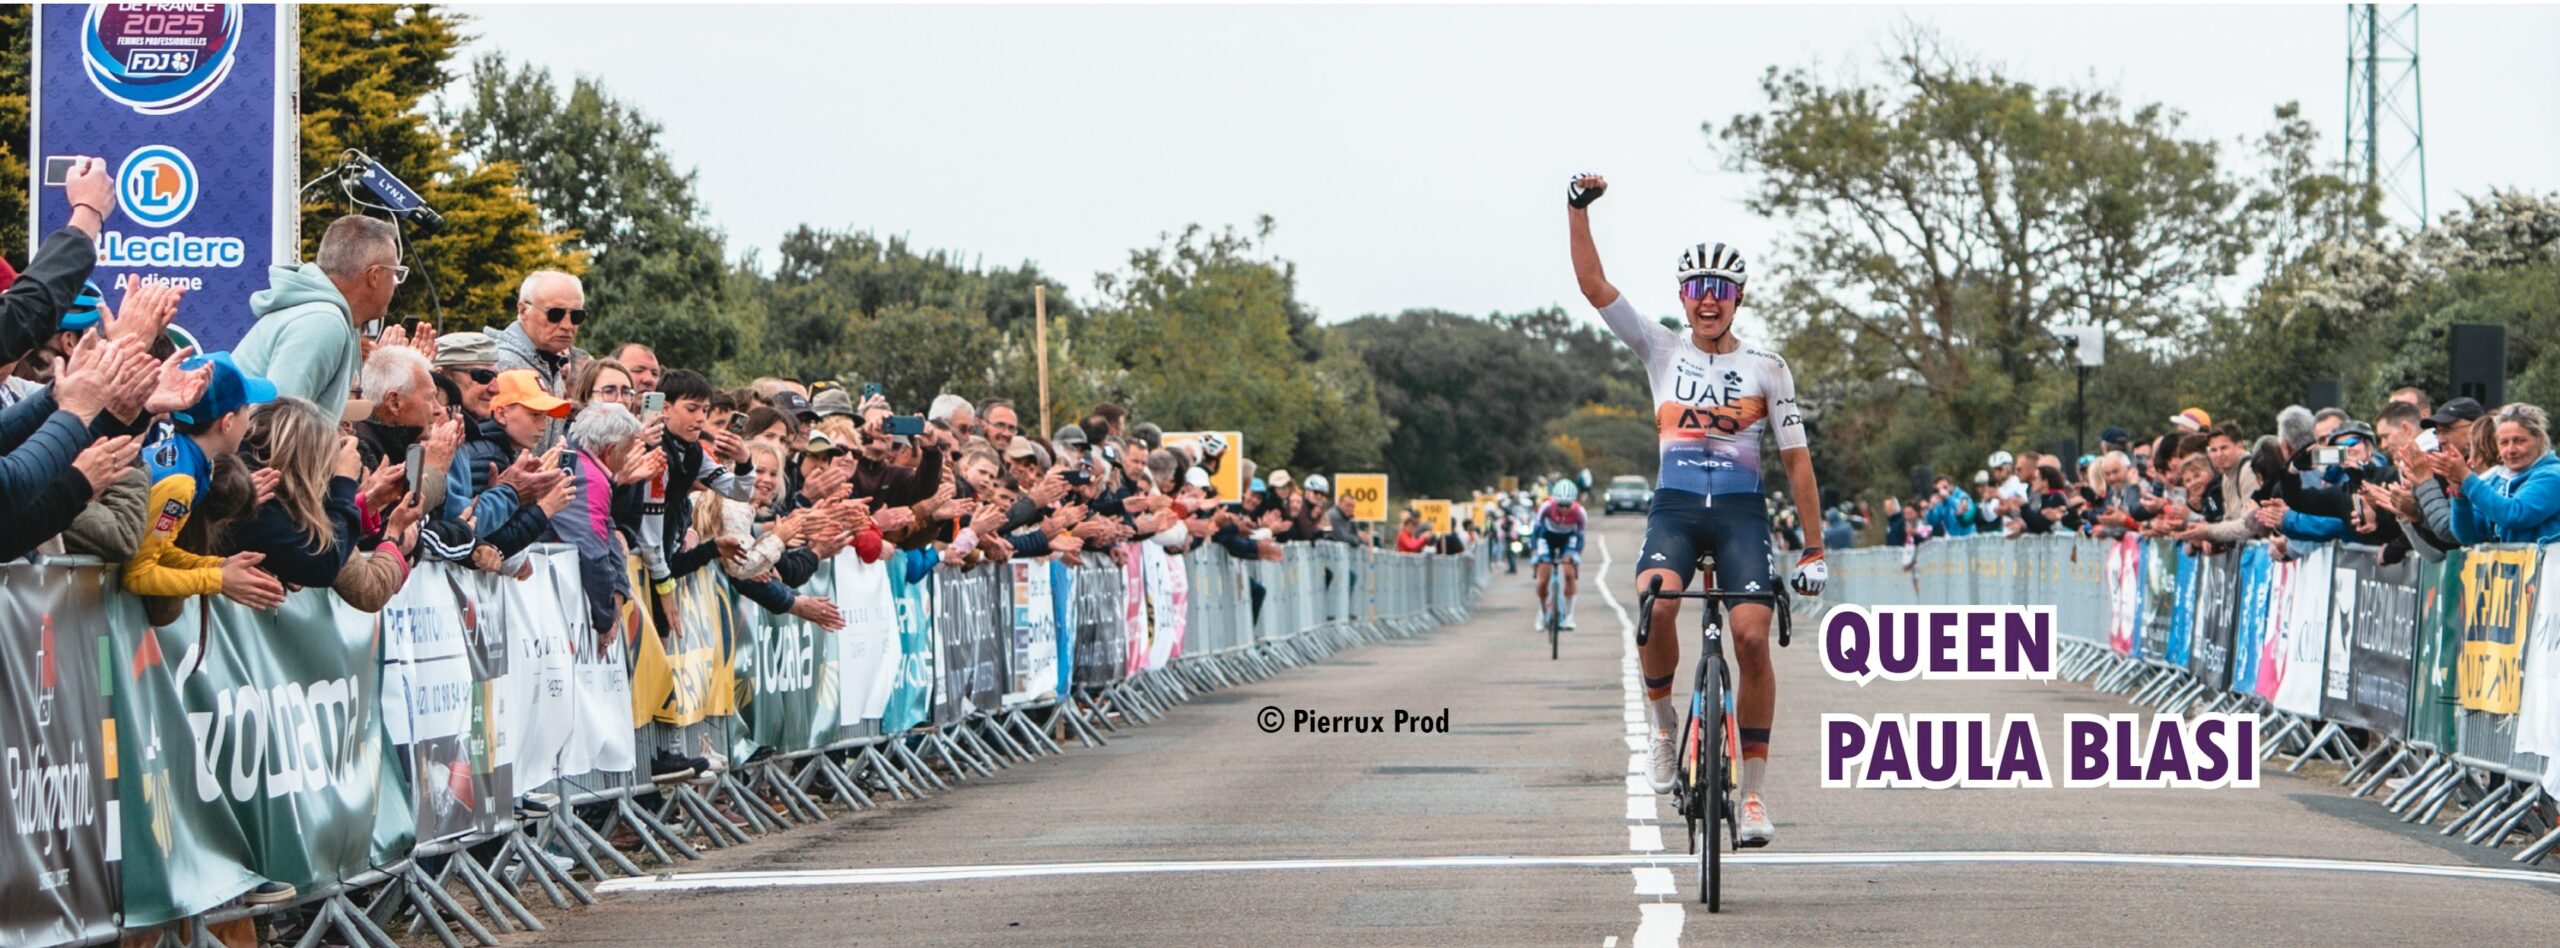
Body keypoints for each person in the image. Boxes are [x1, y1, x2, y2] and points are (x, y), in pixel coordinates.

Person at [1566, 172, 1823, 849]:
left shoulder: (1770, 368)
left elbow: (1797, 462)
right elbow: (1595, 289)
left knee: (1749, 639)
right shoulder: (1660, 346)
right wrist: (1577, 209)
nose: (1709, 302)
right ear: (1684, 297)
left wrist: (1817, 551)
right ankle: (1661, 730)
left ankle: (1756, 793)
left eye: (1722, 291)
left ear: (1738, 299)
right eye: (1698, 290)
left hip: (1740, 514)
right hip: (1677, 509)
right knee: (1656, 602)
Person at [124, 353, 288, 608]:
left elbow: (160, 550)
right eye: (247, 407)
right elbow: (137, 575)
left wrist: (218, 565)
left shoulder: (193, 460)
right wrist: (217, 580)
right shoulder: (179, 482)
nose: (250, 419)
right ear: (228, 422)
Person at [234, 216, 402, 420]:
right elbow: (278, 425)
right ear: (374, 276)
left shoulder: (327, 317)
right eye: (395, 272)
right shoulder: (323, 323)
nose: (397, 283)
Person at [2448, 403, 2560, 544]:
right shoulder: (2496, 480)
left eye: (2519, 441)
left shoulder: (2553, 475)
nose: (2511, 449)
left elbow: (2514, 514)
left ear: (2539, 440)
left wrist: (2466, 477)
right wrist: (2459, 495)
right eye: (2504, 443)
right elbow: (2468, 536)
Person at [492, 271, 588, 396]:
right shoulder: (502, 364)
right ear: (523, 310)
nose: (567, 326)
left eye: (576, 315)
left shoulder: (549, 359)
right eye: (555, 314)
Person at [1530, 478, 1588, 631]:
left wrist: (1576, 554)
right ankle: (1542, 614)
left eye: (1567, 505)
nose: (1563, 509)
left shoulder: (1579, 512)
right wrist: (1535, 553)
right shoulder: (1547, 506)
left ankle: (1569, 617)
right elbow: (1535, 531)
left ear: (1573, 502)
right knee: (1543, 580)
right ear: (1555, 501)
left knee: (1569, 574)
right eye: (1560, 505)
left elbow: (1581, 536)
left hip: (1568, 539)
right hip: (1546, 538)